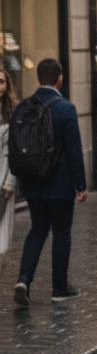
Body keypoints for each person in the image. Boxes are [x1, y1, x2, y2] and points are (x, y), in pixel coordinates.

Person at [13, 58, 87, 305]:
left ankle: (24, 279)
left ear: (38, 78)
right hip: (59, 183)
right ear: (60, 78)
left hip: (32, 182)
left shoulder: (22, 107)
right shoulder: (65, 108)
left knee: (38, 228)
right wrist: (81, 185)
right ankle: (59, 288)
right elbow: (75, 150)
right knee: (62, 232)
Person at [0, 71, 17, 271]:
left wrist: (10, 181)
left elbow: (14, 150)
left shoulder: (12, 112)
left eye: (1, 82)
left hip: (3, 178)